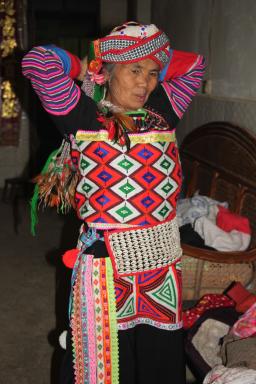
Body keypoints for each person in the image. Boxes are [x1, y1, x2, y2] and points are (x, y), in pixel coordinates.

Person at [22, 21, 206, 384]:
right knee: (103, 357)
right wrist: (91, 63)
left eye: (153, 73)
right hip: (107, 263)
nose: (146, 83)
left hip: (161, 262)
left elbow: (195, 65)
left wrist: (151, 55)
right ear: (109, 72)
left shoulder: (163, 110)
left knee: (159, 350)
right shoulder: (83, 116)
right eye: (134, 70)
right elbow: (38, 62)